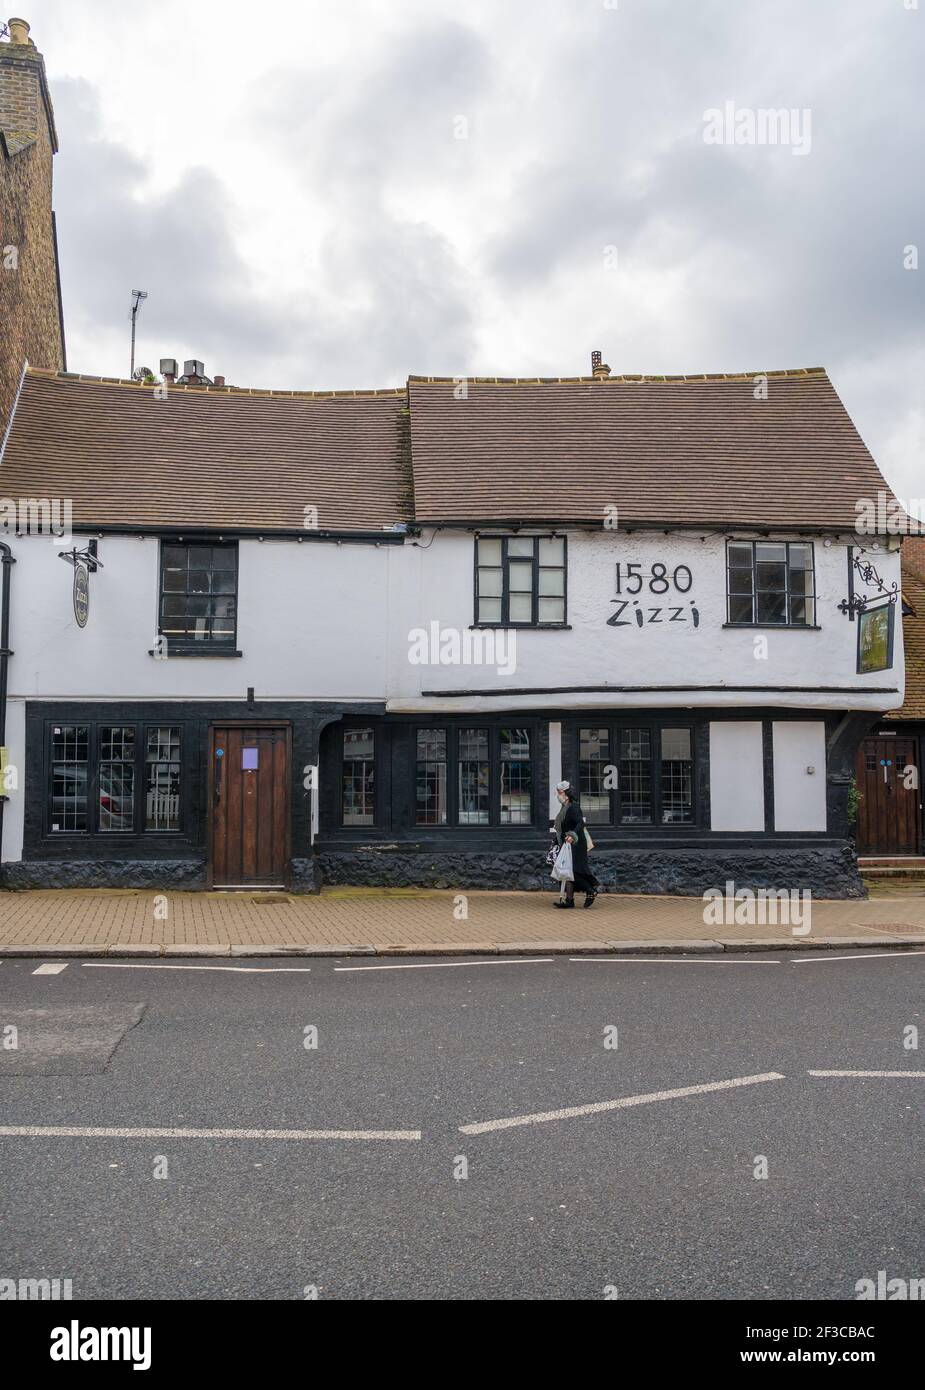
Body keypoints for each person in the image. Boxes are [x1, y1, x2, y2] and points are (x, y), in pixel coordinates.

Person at [551, 780, 598, 908]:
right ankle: (569, 900)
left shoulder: (574, 806)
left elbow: (580, 823)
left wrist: (572, 835)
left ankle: (590, 890)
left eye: (560, 792)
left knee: (572, 871)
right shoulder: (565, 806)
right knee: (567, 872)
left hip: (575, 844)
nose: (558, 795)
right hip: (567, 844)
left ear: (566, 793)